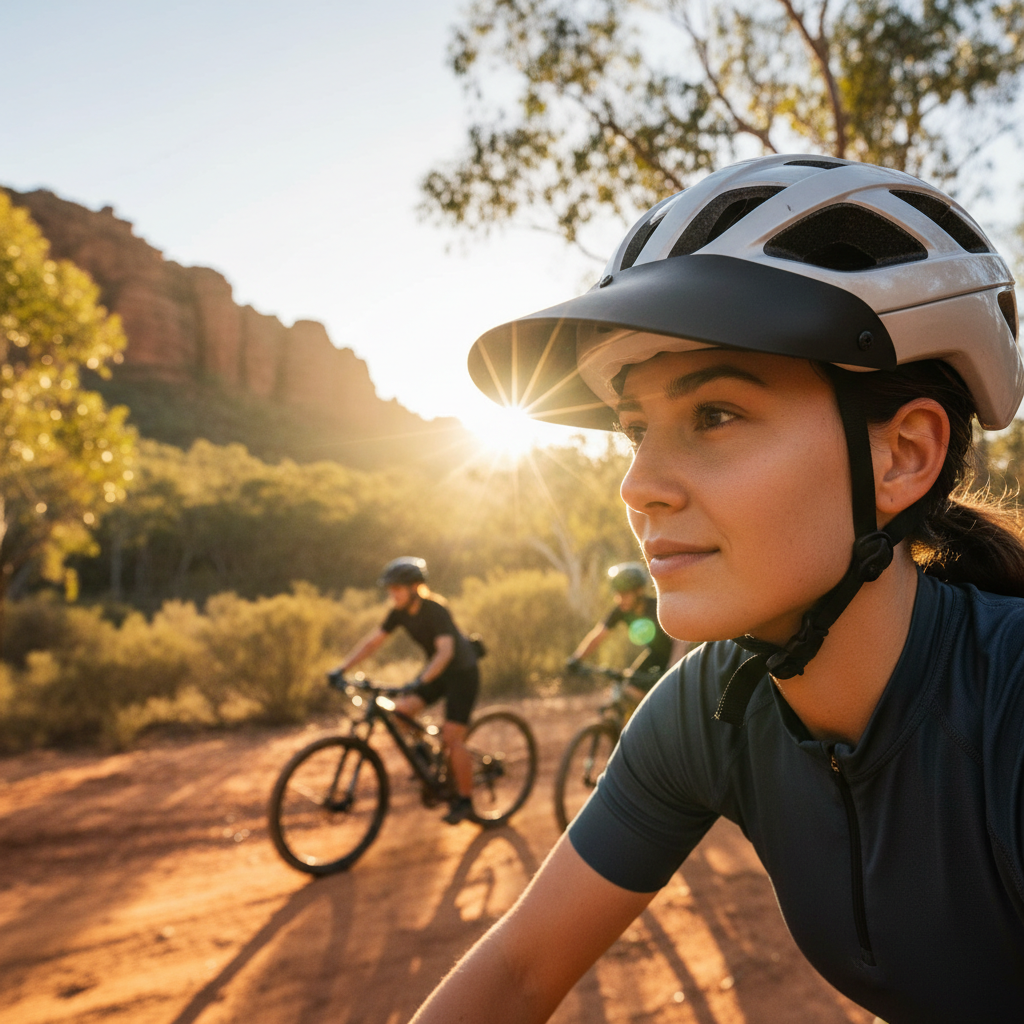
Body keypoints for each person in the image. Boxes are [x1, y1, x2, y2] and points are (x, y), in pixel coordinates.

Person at [411, 155, 1024, 1022]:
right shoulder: (707, 711)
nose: (639, 486)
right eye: (634, 431)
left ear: (902, 457)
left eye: (716, 415)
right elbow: (517, 971)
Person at [331, 556, 480, 825]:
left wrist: (419, 680)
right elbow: (372, 643)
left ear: (414, 588)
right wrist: (341, 669)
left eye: (396, 589)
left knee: (452, 738)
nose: (392, 594)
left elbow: (445, 652)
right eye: (390, 589)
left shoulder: (436, 610)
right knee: (400, 713)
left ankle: (465, 800)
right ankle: (426, 758)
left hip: (462, 674)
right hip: (435, 673)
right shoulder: (399, 612)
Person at [566, 561, 689, 699]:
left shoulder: (657, 607)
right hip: (655, 655)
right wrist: (577, 658)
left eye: (624, 594)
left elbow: (680, 639)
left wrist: (674, 666)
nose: (619, 599)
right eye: (617, 593)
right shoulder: (621, 611)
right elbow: (598, 634)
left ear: (639, 591)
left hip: (680, 657)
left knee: (664, 698)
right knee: (628, 688)